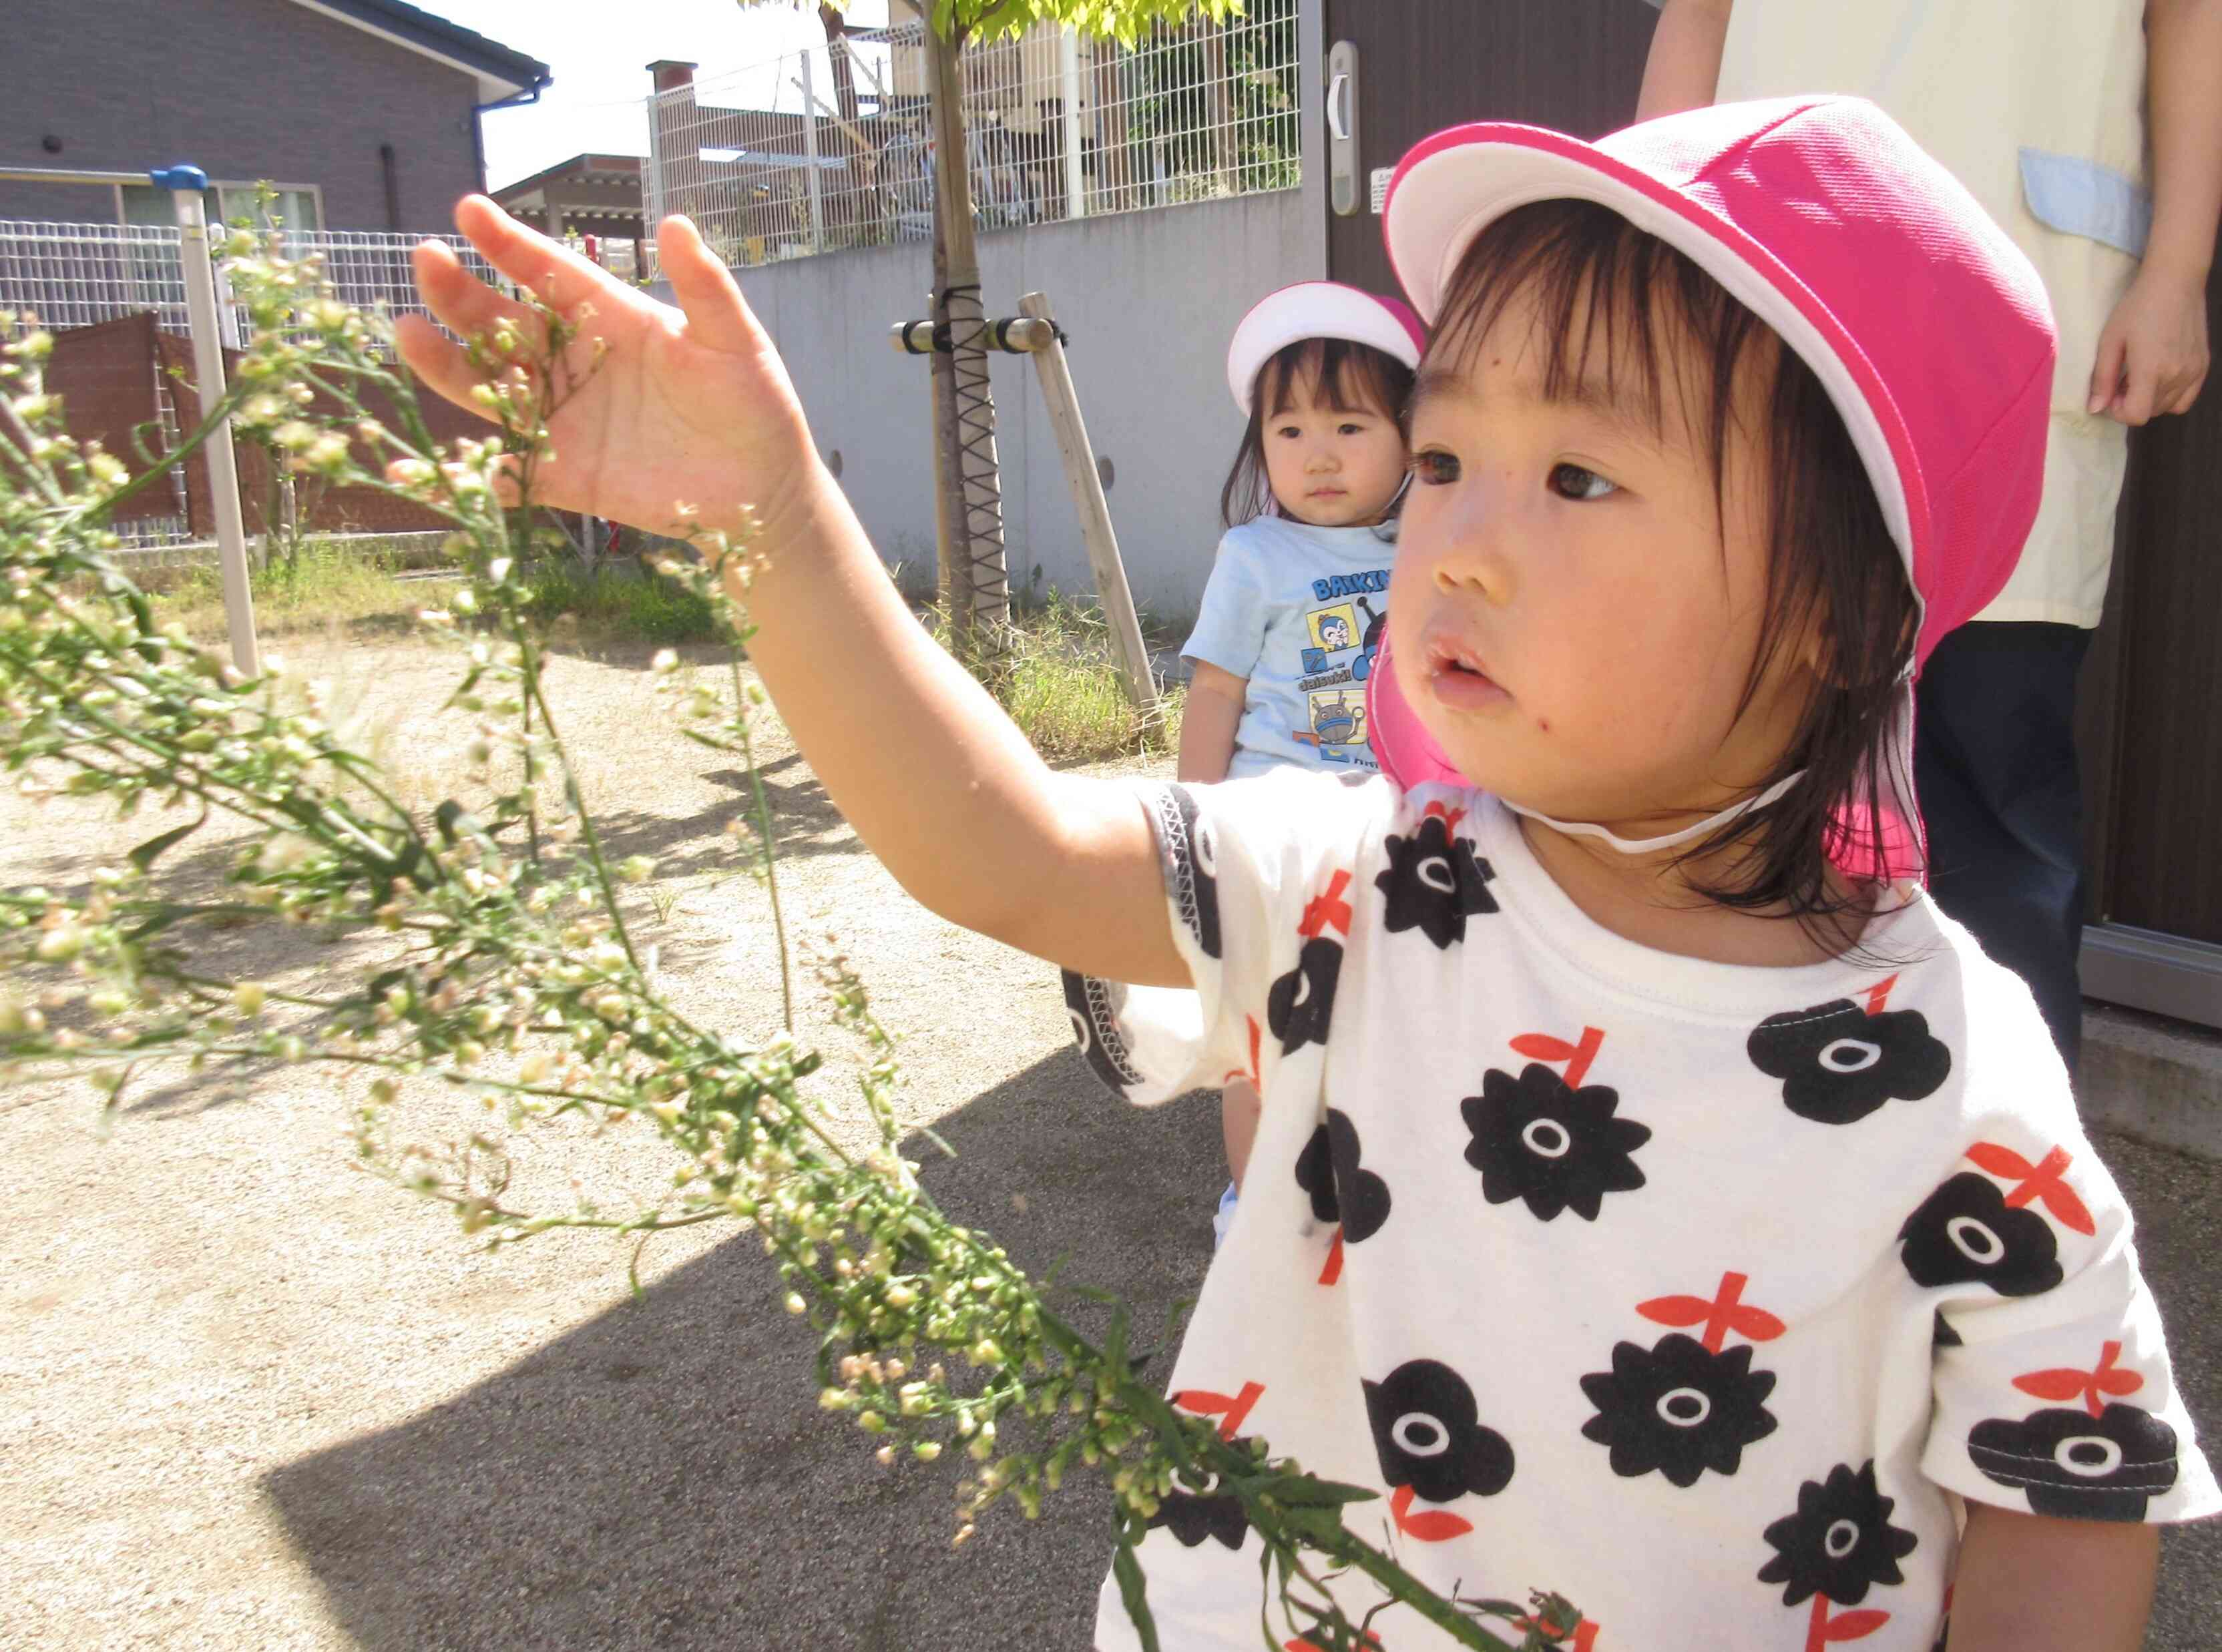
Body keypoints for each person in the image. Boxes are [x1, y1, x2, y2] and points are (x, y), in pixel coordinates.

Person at [395, 96, 2216, 1652]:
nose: (1461, 546)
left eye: (1577, 475)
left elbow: (2065, 1490)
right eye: (1445, 456)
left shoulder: (1952, 1065)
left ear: (1834, 607)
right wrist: (775, 523)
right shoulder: (1369, 879)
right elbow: (1006, 849)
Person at [1636, 0, 2222, 1073]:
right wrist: (1644, 262)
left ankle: (2011, 1175)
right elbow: (1698, 15)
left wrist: (2179, 269)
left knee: (1997, 779)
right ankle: (1751, 1154)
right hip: (1771, 294)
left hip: (2024, 295)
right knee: (1749, 767)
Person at [1182, 282, 1424, 1240]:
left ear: (1409, 434)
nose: (1318, 454)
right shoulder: (1253, 556)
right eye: (1288, 432)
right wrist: (1190, 829)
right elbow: (1215, 693)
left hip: (1399, 831)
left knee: (1377, 1030)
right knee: (1263, 1037)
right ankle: (1257, 1211)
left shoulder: (1429, 541)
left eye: (1352, 425)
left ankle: (1369, 1195)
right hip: (1273, 834)